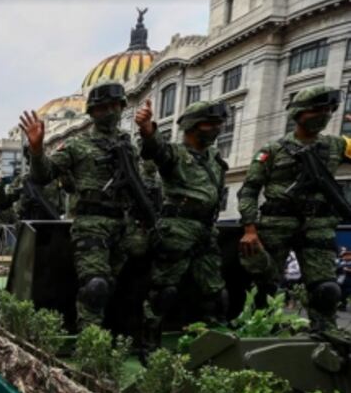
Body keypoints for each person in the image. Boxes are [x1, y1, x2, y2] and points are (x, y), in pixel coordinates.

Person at [20, 80, 150, 329]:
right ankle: (90, 344)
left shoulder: (128, 147)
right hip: (91, 224)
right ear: (92, 112)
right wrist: (37, 151)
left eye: (115, 106)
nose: (110, 112)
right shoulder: (78, 145)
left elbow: (140, 185)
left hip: (126, 226)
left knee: (131, 285)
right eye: (103, 107)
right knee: (95, 287)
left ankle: (126, 335)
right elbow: (43, 175)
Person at [238, 86, 351, 332]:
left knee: (326, 289)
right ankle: (258, 334)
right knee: (264, 288)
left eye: (328, 109)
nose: (324, 114)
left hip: (319, 226)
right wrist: (249, 228)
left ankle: (325, 338)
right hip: (277, 224)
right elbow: (249, 190)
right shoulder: (272, 149)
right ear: (299, 113)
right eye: (316, 110)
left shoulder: (337, 145)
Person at [135, 99, 230, 346]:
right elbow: (156, 149)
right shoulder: (176, 154)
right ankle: (149, 342)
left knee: (216, 294)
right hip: (177, 230)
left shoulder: (214, 160)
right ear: (193, 125)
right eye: (210, 123)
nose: (216, 128)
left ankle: (214, 343)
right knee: (164, 292)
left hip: (206, 231)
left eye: (219, 123)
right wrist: (147, 129)